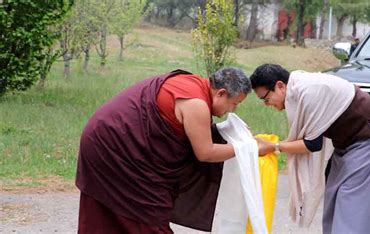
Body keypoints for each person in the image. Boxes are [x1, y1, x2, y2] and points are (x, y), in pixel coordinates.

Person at [76, 67, 257, 233]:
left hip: (103, 137)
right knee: (149, 214)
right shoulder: (196, 103)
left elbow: (193, 131)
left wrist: (232, 136)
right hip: (111, 147)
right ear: (221, 93)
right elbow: (205, 152)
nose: (233, 109)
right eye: (234, 103)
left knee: (117, 215)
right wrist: (246, 147)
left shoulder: (192, 83)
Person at [251, 64, 370, 234]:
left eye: (266, 98)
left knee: (350, 200)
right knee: (333, 196)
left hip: (368, 135)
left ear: (280, 86)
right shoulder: (296, 90)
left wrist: (274, 147)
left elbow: (312, 144)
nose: (267, 104)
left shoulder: (308, 91)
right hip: (345, 142)